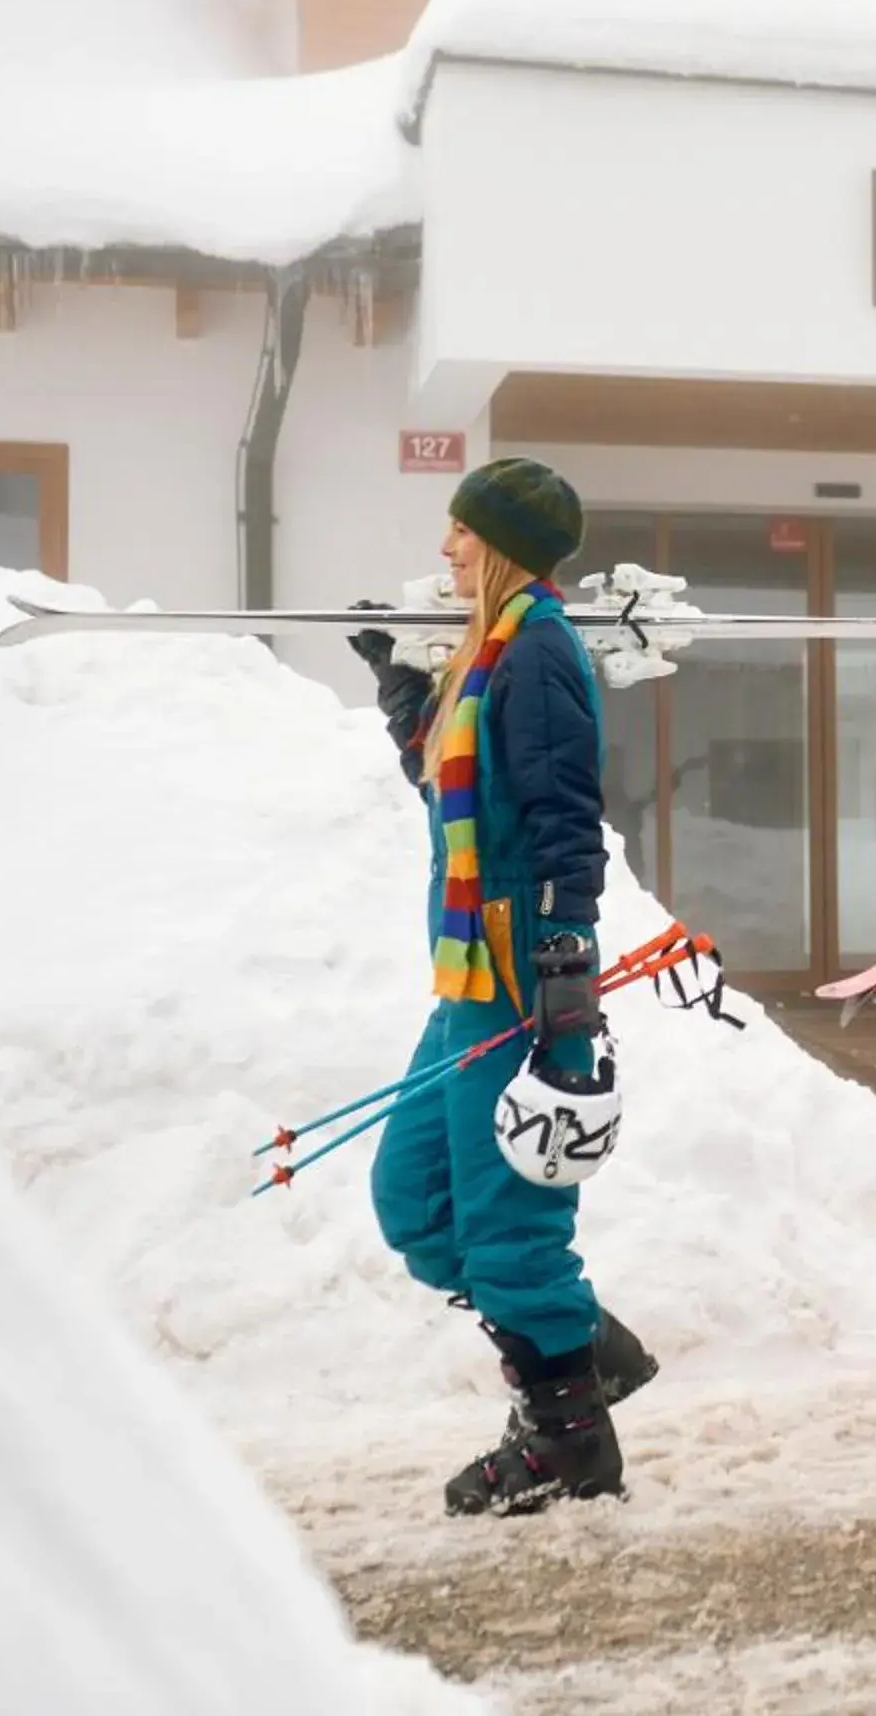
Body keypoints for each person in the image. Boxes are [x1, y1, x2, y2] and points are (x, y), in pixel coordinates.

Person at [344, 457, 657, 1514]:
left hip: (521, 969)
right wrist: (405, 704)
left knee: (508, 1222)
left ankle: (566, 1439)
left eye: (462, 532)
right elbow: (462, 792)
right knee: (414, 1198)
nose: (446, 548)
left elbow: (565, 811)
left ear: (505, 543)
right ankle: (581, 1349)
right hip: (467, 969)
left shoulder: (537, 654)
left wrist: (567, 964)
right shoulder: (487, 656)